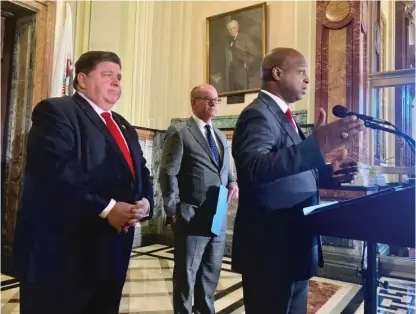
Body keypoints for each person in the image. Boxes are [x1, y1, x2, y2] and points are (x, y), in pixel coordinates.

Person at [13, 51, 154, 314]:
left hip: (112, 252)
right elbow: (58, 170)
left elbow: (142, 170)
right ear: (82, 79)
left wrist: (145, 202)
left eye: (119, 77)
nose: (116, 82)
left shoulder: (123, 125)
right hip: (63, 256)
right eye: (107, 74)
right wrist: (109, 208)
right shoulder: (56, 111)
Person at [231, 47, 365, 313]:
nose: (307, 79)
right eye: (301, 72)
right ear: (278, 73)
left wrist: (329, 172)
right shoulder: (257, 114)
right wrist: (318, 143)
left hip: (294, 247)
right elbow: (254, 168)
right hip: (270, 251)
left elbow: (292, 172)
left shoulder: (285, 117)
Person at [159, 84, 239, 314]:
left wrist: (233, 181)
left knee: (211, 273)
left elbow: (226, 168)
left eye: (216, 99)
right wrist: (173, 210)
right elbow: (168, 173)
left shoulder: (221, 136)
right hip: (191, 215)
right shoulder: (180, 131)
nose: (214, 103)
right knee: (186, 275)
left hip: (218, 216)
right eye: (207, 99)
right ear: (194, 102)